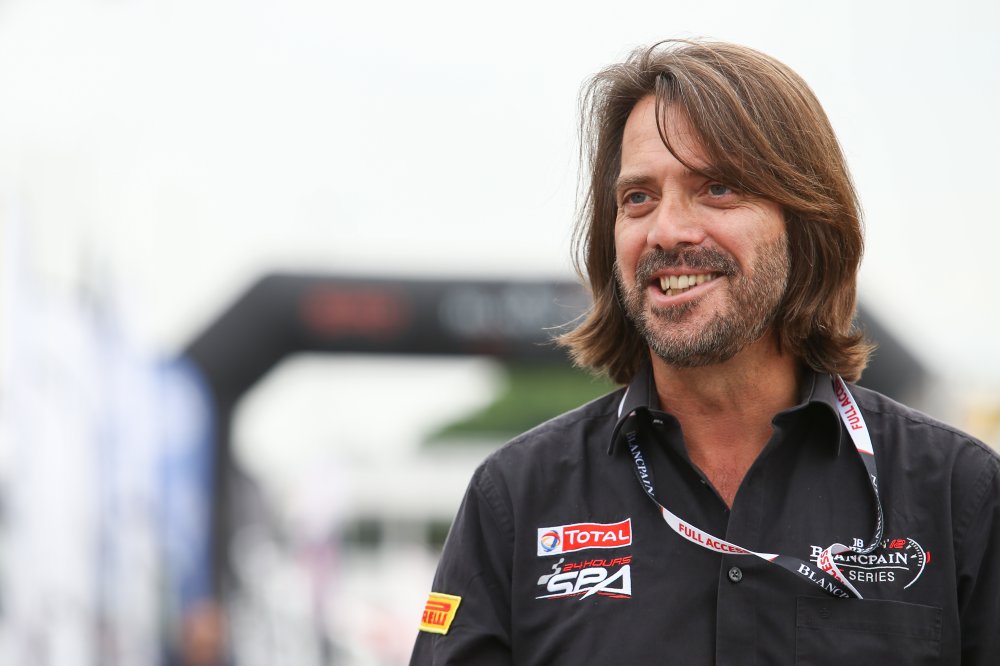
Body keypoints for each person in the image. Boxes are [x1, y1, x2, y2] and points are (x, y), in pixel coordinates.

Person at [409, 40, 1000, 664]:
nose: (667, 231)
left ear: (806, 221)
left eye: (716, 188)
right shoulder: (515, 498)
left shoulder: (959, 494)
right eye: (638, 198)